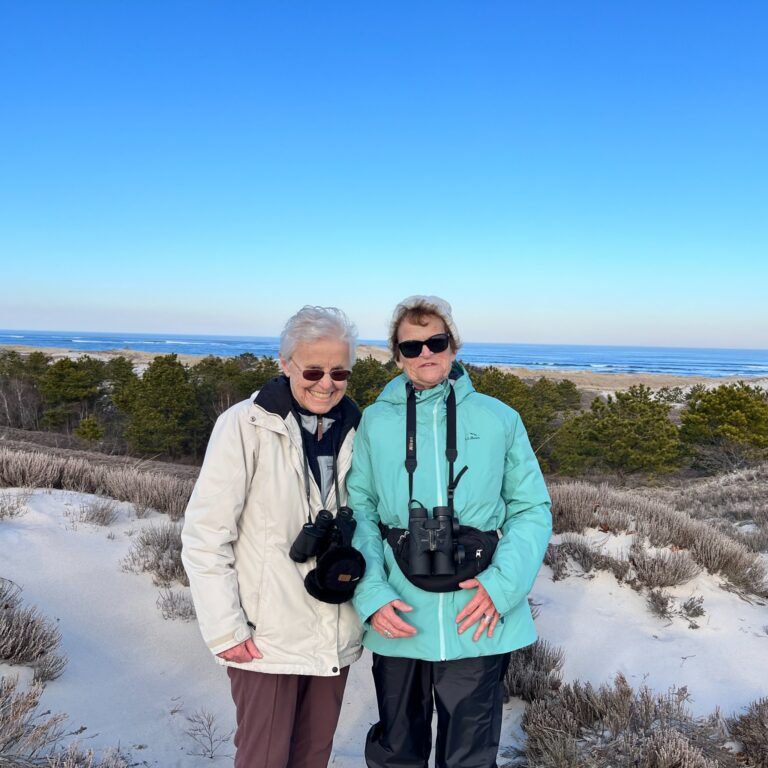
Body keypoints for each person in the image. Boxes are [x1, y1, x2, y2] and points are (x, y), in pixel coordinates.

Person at [347, 295, 552, 768]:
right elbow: (360, 512)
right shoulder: (376, 422)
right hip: (399, 611)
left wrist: (502, 587)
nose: (425, 354)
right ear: (397, 356)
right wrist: (371, 594)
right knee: (397, 749)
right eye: (411, 346)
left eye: (435, 341)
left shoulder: (499, 418)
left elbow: (532, 508)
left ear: (454, 346)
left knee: (468, 755)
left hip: (475, 614)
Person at [181, 306, 364, 768]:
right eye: (314, 370)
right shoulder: (245, 425)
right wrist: (225, 629)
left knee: (313, 757)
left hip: (334, 635)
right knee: (264, 758)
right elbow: (205, 536)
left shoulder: (361, 431)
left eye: (339, 371)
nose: (327, 383)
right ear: (285, 364)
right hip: (267, 640)